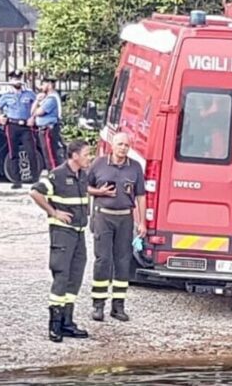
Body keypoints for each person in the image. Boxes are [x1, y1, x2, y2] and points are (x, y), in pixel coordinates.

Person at [30, 140, 92, 342]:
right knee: (62, 275)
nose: (88, 157)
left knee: (75, 276)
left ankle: (67, 322)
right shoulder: (58, 174)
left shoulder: (82, 175)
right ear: (74, 155)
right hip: (63, 233)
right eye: (85, 154)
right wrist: (54, 212)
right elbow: (35, 192)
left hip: (79, 232)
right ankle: (54, 325)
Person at [87, 132, 147, 322]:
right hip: (103, 217)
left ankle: (118, 306)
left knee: (123, 262)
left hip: (125, 218)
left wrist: (142, 222)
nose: (123, 148)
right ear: (112, 145)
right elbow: (84, 186)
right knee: (103, 260)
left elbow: (141, 196)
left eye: (126, 145)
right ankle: (98, 305)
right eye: (120, 144)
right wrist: (100, 191)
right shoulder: (99, 164)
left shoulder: (135, 167)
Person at [0, 70, 38, 189]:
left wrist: (33, 117)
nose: (17, 81)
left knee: (31, 151)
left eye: (19, 78)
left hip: (26, 126)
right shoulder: (6, 96)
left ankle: (35, 179)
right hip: (12, 125)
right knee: (13, 153)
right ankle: (16, 180)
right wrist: (0, 117)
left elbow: (37, 105)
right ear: (10, 81)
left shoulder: (29, 94)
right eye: (14, 79)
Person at [30, 75, 65, 171]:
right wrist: (37, 100)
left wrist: (36, 105)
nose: (41, 87)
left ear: (49, 84)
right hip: (45, 129)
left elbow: (38, 112)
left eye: (43, 84)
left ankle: (54, 175)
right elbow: (32, 112)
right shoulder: (47, 98)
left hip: (48, 129)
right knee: (47, 154)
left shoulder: (51, 99)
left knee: (50, 155)